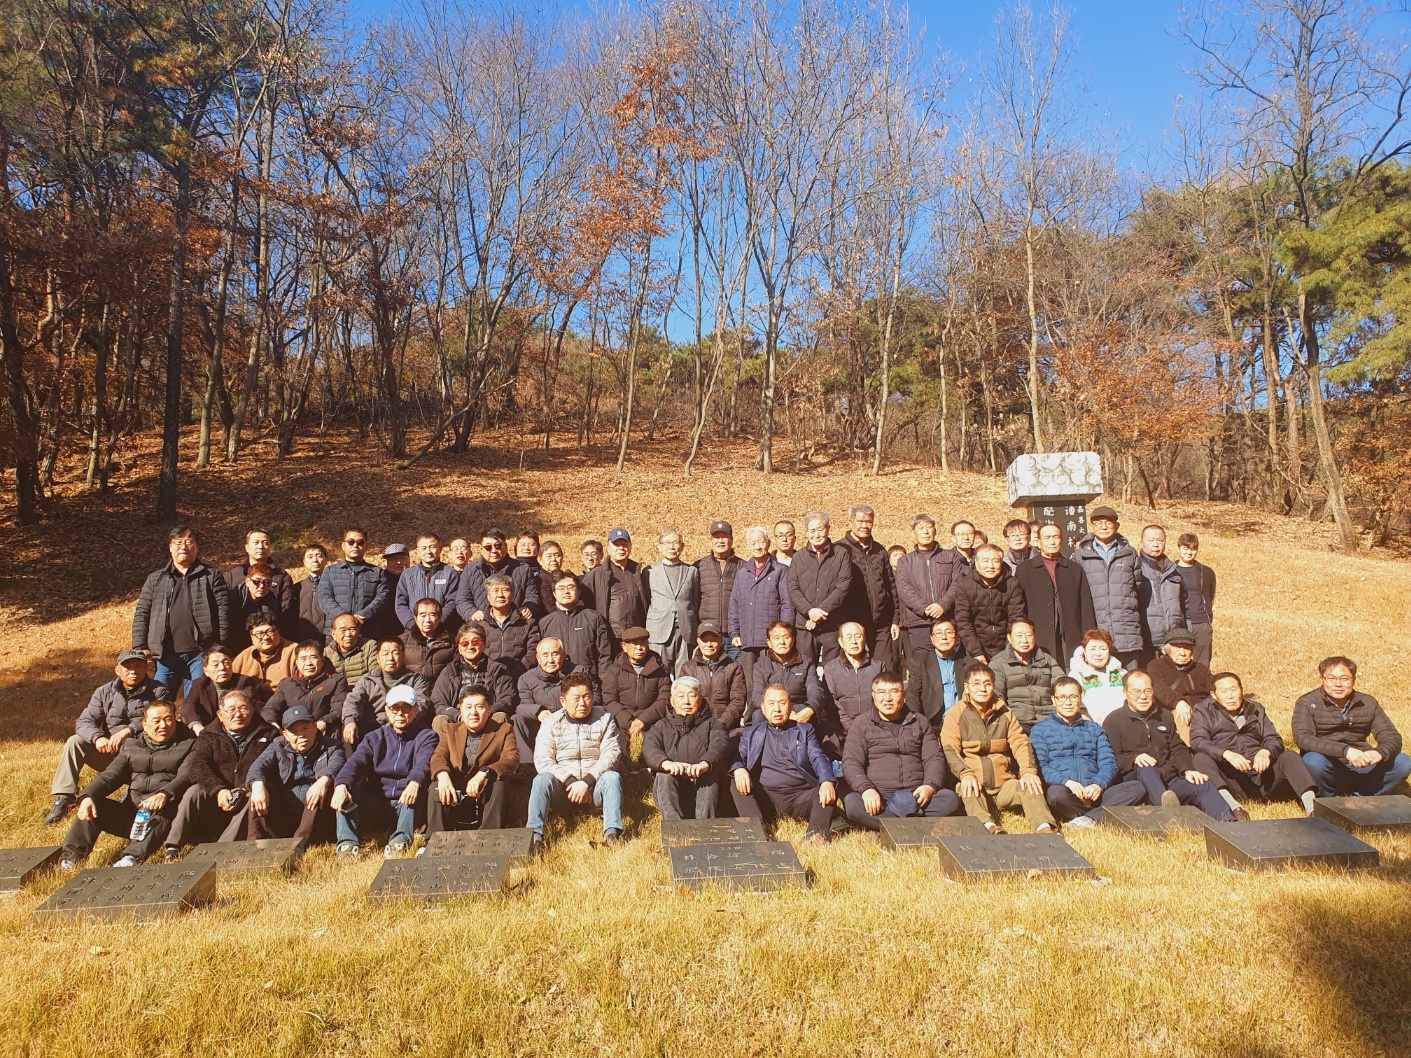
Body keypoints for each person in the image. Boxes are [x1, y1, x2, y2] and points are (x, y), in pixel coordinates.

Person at [57, 699, 195, 869]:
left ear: (176, 719)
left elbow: (186, 776)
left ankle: (131, 858)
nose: (163, 725)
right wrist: (87, 795)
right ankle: (71, 859)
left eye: (168, 719)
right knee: (94, 805)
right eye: (156, 721)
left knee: (165, 810)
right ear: (144, 724)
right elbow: (111, 775)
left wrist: (164, 794)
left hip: (167, 813)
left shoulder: (190, 745)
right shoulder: (131, 747)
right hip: (134, 814)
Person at [45, 650, 166, 825]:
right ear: (117, 670)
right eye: (127, 667)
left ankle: (135, 789)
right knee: (75, 742)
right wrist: (97, 738)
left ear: (146, 668)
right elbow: (84, 721)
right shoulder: (104, 692)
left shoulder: (159, 691)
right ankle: (65, 797)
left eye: (138, 666)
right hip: (112, 753)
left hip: (143, 755)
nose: (133, 671)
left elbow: (162, 720)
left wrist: (128, 730)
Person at [1102, 670, 1234, 819]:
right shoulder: (1114, 721)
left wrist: (1187, 770)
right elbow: (1112, 759)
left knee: (1202, 782)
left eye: (1148, 691)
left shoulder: (1164, 716)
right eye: (1136, 692)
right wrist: (1134, 758)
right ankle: (1170, 816)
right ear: (1125, 692)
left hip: (1168, 778)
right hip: (1136, 781)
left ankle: (1228, 822)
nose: (1143, 696)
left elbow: (1178, 747)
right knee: (1146, 768)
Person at [940, 665, 1057, 833]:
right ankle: (988, 826)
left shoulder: (1005, 712)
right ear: (966, 687)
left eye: (987, 684)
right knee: (968, 789)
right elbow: (950, 749)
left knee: (1029, 785)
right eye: (976, 684)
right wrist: (965, 774)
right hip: (974, 783)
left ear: (993, 686)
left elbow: (1021, 743)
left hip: (1004, 785)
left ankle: (1044, 827)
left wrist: (1028, 771)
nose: (982, 688)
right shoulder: (955, 714)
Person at [842, 672, 962, 832]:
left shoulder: (920, 721)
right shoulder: (861, 724)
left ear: (903, 695)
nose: (888, 698)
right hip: (880, 795)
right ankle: (915, 824)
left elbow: (934, 758)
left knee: (950, 799)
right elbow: (851, 762)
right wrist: (866, 789)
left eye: (894, 692)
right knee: (852, 803)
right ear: (873, 696)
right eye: (881, 692)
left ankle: (890, 826)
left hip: (917, 794)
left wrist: (930, 785)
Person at [330, 685, 437, 857]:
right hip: (377, 804)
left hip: (406, 804)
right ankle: (347, 845)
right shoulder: (374, 738)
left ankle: (399, 842)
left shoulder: (426, 736)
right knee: (347, 790)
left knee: (417, 789)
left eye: (406, 708)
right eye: (395, 708)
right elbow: (356, 762)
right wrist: (341, 784)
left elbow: (423, 763)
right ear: (387, 710)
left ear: (416, 709)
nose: (400, 713)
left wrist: (414, 781)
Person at [167, 688, 277, 854]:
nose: (237, 714)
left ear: (252, 710)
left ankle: (221, 850)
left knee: (252, 795)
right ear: (220, 714)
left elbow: (273, 768)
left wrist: (243, 788)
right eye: (231, 710)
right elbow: (198, 765)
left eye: (243, 709)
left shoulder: (269, 734)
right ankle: (173, 846)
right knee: (194, 791)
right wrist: (218, 789)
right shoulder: (208, 734)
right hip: (217, 800)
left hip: (248, 799)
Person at [1191, 673, 1318, 816]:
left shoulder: (1256, 709)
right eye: (1224, 691)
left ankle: (1312, 808)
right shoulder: (1203, 711)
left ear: (1241, 690)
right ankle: (1234, 808)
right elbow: (1198, 741)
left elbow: (1274, 739)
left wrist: (1266, 752)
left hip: (1261, 775)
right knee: (1200, 758)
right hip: (1232, 779)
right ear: (1213, 695)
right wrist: (1226, 754)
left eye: (1233, 690)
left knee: (1290, 757)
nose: (1230, 696)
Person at [1029, 677, 1146, 827]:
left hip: (1095, 793)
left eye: (1073, 697)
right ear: (1053, 700)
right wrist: (1067, 782)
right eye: (1062, 697)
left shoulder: (1094, 728)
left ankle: (1089, 818)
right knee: (1056, 795)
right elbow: (1042, 766)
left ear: (1080, 698)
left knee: (1137, 787)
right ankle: (1099, 815)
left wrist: (1098, 784)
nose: (1068, 702)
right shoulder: (1040, 730)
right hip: (1065, 792)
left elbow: (1108, 762)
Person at [527, 672, 624, 850]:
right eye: (576, 698)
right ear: (563, 701)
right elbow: (543, 760)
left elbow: (612, 754)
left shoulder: (605, 719)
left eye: (587, 697)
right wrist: (571, 782)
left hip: (593, 790)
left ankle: (612, 833)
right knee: (541, 779)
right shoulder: (550, 723)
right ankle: (535, 836)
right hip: (564, 791)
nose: (582, 703)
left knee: (612, 777)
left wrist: (587, 782)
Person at [730, 685, 837, 843]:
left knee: (827, 787)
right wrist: (739, 769)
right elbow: (738, 756)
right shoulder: (750, 733)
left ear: (791, 706)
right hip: (767, 797)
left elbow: (818, 756)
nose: (777, 709)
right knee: (736, 782)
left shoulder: (805, 730)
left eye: (782, 703)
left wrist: (827, 780)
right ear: (763, 708)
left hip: (799, 797)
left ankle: (815, 835)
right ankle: (758, 833)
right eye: (771, 704)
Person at [132, 525, 231, 695]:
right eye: (178, 543)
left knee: (197, 699)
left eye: (189, 542)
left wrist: (220, 643)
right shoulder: (156, 579)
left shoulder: (211, 575)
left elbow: (224, 610)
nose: (183, 547)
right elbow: (142, 612)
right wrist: (139, 645)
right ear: (170, 547)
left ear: (196, 546)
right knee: (159, 699)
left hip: (201, 652)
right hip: (165, 653)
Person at [1292, 656, 1411, 797]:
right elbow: (1303, 738)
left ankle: (1364, 796)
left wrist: (1379, 752)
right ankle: (1327, 799)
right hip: (1328, 764)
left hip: (1362, 764)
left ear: (1353, 680)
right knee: (1312, 762)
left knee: (1403, 762)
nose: (1338, 684)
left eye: (1345, 679)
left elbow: (1391, 735)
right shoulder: (1306, 702)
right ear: (1322, 679)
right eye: (1331, 678)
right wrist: (1345, 751)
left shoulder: (1368, 702)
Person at [248, 704, 347, 843]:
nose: (301, 735)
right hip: (284, 811)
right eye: (294, 731)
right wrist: (258, 785)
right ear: (285, 735)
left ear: (315, 727)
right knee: (258, 790)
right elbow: (258, 766)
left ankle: (299, 844)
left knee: (323, 789)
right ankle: (255, 845)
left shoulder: (333, 746)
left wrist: (323, 781)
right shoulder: (278, 745)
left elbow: (338, 765)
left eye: (306, 728)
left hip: (315, 815)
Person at [428, 688, 520, 834]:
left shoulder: (504, 729)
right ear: (461, 710)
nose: (473, 713)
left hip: (485, 791)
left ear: (489, 709)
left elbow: (511, 758)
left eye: (479, 707)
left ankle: (487, 836)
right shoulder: (450, 730)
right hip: (456, 790)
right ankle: (435, 839)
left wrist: (485, 772)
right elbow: (439, 756)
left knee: (499, 785)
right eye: (468, 707)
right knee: (436, 785)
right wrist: (442, 775)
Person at [644, 677, 731, 821]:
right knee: (663, 776)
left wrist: (705, 764)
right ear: (672, 701)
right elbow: (649, 747)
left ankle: (705, 826)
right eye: (680, 696)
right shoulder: (661, 726)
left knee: (709, 775)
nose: (686, 701)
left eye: (691, 696)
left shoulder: (713, 725)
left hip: (704, 789)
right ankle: (674, 827)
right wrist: (666, 763)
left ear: (700, 699)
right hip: (674, 787)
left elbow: (721, 744)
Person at [1072, 506, 1144, 667]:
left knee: (1130, 677)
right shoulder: (1081, 555)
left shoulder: (1129, 554)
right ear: (1092, 526)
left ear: (1116, 526)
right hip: (1096, 629)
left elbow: (1137, 586)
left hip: (1126, 629)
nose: (1103, 527)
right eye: (1098, 523)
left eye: (1108, 523)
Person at [1015, 523, 1096, 665]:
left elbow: (1085, 606)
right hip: (1039, 634)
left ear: (1061, 540)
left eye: (1056, 537)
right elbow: (1019, 606)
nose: (1052, 542)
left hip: (1070, 632)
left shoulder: (1074, 569)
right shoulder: (1024, 570)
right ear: (1038, 542)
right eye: (1047, 538)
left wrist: (1090, 637)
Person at [895, 513, 969, 662]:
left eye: (929, 527)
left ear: (935, 530)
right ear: (913, 533)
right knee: (924, 665)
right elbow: (904, 588)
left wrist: (943, 605)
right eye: (921, 528)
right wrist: (924, 608)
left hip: (947, 620)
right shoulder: (905, 561)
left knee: (953, 663)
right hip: (919, 623)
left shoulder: (950, 557)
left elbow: (958, 582)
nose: (926, 531)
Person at [728, 526, 794, 691]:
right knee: (750, 686)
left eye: (761, 542)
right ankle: (753, 710)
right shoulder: (742, 573)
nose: (757, 547)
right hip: (747, 640)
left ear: (768, 543)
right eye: (753, 543)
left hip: (771, 641)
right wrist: (734, 632)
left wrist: (783, 634)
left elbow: (787, 603)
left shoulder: (780, 571)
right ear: (748, 546)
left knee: (773, 684)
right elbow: (734, 604)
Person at [785, 510, 855, 666]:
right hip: (806, 625)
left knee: (833, 670)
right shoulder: (798, 557)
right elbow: (793, 587)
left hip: (833, 623)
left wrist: (821, 611)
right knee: (805, 669)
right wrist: (809, 611)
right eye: (812, 531)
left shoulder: (841, 554)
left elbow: (843, 586)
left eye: (820, 529)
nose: (816, 535)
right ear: (806, 533)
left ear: (828, 529)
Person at [837, 504, 900, 672]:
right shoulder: (840, 550)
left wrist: (895, 620)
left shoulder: (880, 551)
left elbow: (891, 586)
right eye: (860, 521)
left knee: (886, 670)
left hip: (880, 624)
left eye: (868, 521)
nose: (864, 525)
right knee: (853, 670)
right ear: (851, 522)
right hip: (851, 623)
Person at [515, 637, 596, 762]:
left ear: (563, 655)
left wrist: (570, 713)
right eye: (545, 655)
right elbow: (523, 705)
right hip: (542, 725)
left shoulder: (579, 671)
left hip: (574, 721)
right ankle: (527, 765)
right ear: (538, 658)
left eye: (555, 654)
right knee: (518, 719)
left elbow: (594, 697)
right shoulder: (526, 678)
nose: (550, 660)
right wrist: (538, 711)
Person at [342, 638, 430, 744]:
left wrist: (398, 718)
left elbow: (421, 703)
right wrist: (350, 721)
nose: (390, 658)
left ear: (403, 656)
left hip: (404, 727)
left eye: (395, 653)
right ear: (377, 658)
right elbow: (353, 700)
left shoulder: (415, 679)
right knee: (348, 731)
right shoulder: (367, 680)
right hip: (372, 729)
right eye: (385, 654)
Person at [952, 544, 1027, 663]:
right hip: (976, 646)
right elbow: (963, 621)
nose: (990, 566)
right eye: (985, 561)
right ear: (976, 563)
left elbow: (1016, 618)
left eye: (995, 561)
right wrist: (976, 652)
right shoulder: (965, 585)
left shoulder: (1011, 583)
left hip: (1005, 646)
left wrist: (1009, 649)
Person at [989, 618, 1066, 730]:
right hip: (1017, 723)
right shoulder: (998, 663)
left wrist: (1082, 712)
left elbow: (1065, 687)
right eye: (1019, 635)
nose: (1024, 640)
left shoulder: (1047, 660)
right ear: (1009, 638)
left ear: (1034, 636)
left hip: (1050, 719)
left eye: (1029, 635)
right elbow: (997, 697)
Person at [430, 622, 517, 721]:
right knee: (440, 719)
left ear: (484, 644)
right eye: (465, 643)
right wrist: (459, 716)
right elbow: (439, 703)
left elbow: (507, 699)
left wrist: (486, 712)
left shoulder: (498, 670)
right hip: (458, 720)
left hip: (488, 718)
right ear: (458, 648)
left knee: (500, 716)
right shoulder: (449, 671)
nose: (470, 647)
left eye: (475, 642)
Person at [538, 573, 615, 682]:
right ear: (554, 593)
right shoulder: (545, 623)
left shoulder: (593, 618)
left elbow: (605, 655)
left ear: (579, 591)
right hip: (557, 684)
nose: (566, 591)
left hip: (588, 682)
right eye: (561, 588)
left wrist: (603, 683)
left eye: (571, 587)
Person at [643, 528, 700, 676]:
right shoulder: (649, 571)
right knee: (659, 672)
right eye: (667, 543)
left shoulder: (692, 571)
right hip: (659, 630)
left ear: (682, 546)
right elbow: (646, 600)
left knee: (685, 673)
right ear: (659, 546)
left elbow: (695, 600)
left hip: (685, 629)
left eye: (675, 543)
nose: (671, 547)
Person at [749, 621, 827, 726]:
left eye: (786, 637)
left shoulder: (806, 663)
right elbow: (756, 695)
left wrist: (810, 709)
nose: (782, 642)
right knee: (758, 715)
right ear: (769, 642)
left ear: (793, 639)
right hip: (772, 708)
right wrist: (774, 708)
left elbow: (815, 690)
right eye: (776, 638)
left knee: (807, 713)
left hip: (797, 706)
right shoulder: (760, 666)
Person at [601, 626, 672, 741]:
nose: (639, 648)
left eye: (643, 643)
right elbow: (609, 699)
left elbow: (665, 697)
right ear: (624, 646)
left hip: (652, 722)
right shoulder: (614, 670)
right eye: (634, 644)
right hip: (621, 723)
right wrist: (628, 722)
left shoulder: (660, 669)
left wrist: (643, 720)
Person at [261, 640, 348, 731]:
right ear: (297, 663)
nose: (308, 663)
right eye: (303, 659)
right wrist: (273, 725)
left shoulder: (336, 680)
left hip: (326, 731)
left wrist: (324, 722)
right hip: (295, 733)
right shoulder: (286, 684)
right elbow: (269, 709)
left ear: (322, 661)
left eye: (313, 657)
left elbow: (339, 708)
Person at [905, 618, 976, 728]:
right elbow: (913, 696)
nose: (944, 637)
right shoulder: (920, 662)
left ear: (956, 637)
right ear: (932, 638)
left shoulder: (970, 664)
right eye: (938, 633)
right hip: (933, 724)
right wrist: (917, 724)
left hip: (965, 724)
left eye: (948, 632)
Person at [317, 527, 389, 636]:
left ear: (366, 546)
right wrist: (346, 618)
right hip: (337, 633)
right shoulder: (330, 571)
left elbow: (383, 597)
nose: (355, 545)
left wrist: (363, 615)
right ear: (343, 546)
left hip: (368, 632)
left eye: (360, 542)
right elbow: (324, 598)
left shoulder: (377, 572)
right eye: (350, 542)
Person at [456, 529, 537, 623]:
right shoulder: (470, 570)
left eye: (498, 546)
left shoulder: (523, 569)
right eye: (488, 547)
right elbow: (462, 599)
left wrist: (528, 607)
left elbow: (532, 596)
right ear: (481, 549)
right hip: (481, 625)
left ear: (505, 546)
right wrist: (471, 612)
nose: (493, 550)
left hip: (516, 624)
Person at [678, 623, 747, 730]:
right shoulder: (687, 668)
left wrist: (721, 724)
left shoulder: (734, 666)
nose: (709, 644)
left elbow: (738, 701)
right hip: (695, 727)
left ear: (721, 641)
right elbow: (683, 701)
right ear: (698, 641)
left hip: (726, 727)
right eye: (705, 640)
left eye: (713, 640)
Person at [180, 647, 263, 734]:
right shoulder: (200, 684)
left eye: (226, 663)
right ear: (206, 671)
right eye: (215, 665)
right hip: (207, 732)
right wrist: (197, 726)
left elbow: (255, 706)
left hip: (240, 731)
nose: (222, 667)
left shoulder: (244, 682)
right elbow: (188, 706)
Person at [581, 527, 647, 636]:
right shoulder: (595, 575)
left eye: (624, 544)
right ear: (608, 548)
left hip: (635, 636)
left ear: (630, 547)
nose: (621, 548)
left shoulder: (637, 573)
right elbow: (586, 608)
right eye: (616, 545)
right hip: (610, 636)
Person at [1146, 628, 1212, 737]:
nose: (1183, 653)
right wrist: (1178, 702)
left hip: (1202, 709)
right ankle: (1189, 747)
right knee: (1181, 715)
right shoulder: (1156, 665)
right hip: (1175, 709)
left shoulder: (1200, 669)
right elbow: (1160, 688)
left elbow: (1214, 686)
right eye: (1177, 648)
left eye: (1187, 648)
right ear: (1167, 650)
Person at [823, 621, 883, 736]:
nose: (854, 641)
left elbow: (882, 698)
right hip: (842, 730)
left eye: (858, 636)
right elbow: (831, 702)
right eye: (849, 637)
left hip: (874, 727)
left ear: (864, 639)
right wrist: (851, 727)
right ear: (841, 642)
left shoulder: (878, 666)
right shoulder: (831, 668)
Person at [224, 529, 297, 625]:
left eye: (265, 543)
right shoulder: (233, 575)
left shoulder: (281, 576)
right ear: (247, 547)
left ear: (270, 547)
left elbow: (287, 610)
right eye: (256, 543)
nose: (260, 547)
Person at [1137, 525, 1188, 662]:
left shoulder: (1174, 570)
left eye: (1160, 540)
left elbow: (1184, 605)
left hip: (1172, 641)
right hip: (1147, 642)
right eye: (1151, 540)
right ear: (1141, 542)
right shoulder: (1136, 569)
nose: (1156, 544)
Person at [480, 573, 542, 680]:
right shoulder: (479, 624)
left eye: (505, 590)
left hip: (520, 677)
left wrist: (516, 673)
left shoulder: (527, 622)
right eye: (495, 590)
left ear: (513, 595)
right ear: (488, 596)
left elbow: (534, 650)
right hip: (486, 678)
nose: (500, 595)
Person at [394, 533, 460, 632]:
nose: (428, 551)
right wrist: (412, 624)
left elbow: (452, 602)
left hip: (442, 629)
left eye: (432, 547)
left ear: (440, 548)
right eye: (424, 548)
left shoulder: (450, 573)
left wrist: (437, 622)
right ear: (418, 551)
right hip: (413, 630)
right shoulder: (407, 574)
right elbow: (400, 604)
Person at [695, 520, 742, 659]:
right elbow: (693, 601)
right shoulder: (699, 567)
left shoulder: (743, 567)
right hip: (708, 635)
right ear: (711, 540)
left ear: (731, 539)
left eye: (724, 537)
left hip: (734, 636)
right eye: (716, 537)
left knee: (736, 671)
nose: (720, 541)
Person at [1068, 628, 1126, 725]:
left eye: (1103, 649)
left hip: (1123, 724)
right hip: (1093, 727)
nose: (1098, 654)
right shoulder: (1075, 676)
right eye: (1092, 649)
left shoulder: (1122, 673)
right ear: (1084, 652)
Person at [1175, 532, 1217, 667]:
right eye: (1186, 548)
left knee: (1202, 664)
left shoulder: (1206, 572)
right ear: (1178, 548)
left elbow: (1210, 595)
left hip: (1201, 622)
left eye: (1193, 549)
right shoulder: (1169, 570)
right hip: (1179, 623)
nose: (1189, 552)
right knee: (1179, 661)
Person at [232, 612, 298, 693]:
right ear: (251, 637)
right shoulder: (243, 657)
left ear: (278, 631)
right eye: (259, 634)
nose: (266, 637)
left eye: (270, 631)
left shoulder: (295, 651)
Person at [230, 563, 288, 652]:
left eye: (267, 582)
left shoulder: (271, 601)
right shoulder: (232, 598)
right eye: (256, 582)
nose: (261, 586)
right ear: (247, 581)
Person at [400, 598, 456, 684]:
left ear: (440, 616)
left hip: (442, 689)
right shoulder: (402, 641)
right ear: (415, 617)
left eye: (432, 615)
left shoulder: (452, 642)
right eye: (422, 615)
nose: (427, 620)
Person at [367, 543, 410, 642]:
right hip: (383, 631)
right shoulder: (378, 580)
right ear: (386, 562)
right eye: (393, 559)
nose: (398, 562)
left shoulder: (416, 578)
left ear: (409, 559)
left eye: (402, 558)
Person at [323, 612, 379, 685]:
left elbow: (375, 675)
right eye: (343, 630)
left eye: (352, 629)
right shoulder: (327, 652)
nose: (348, 634)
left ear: (358, 631)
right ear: (333, 634)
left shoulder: (370, 646)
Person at [291, 543, 329, 645]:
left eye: (319, 556)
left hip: (327, 642)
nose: (315, 560)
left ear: (326, 560)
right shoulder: (297, 588)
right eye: (310, 557)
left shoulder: (333, 585)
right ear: (304, 562)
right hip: (301, 642)